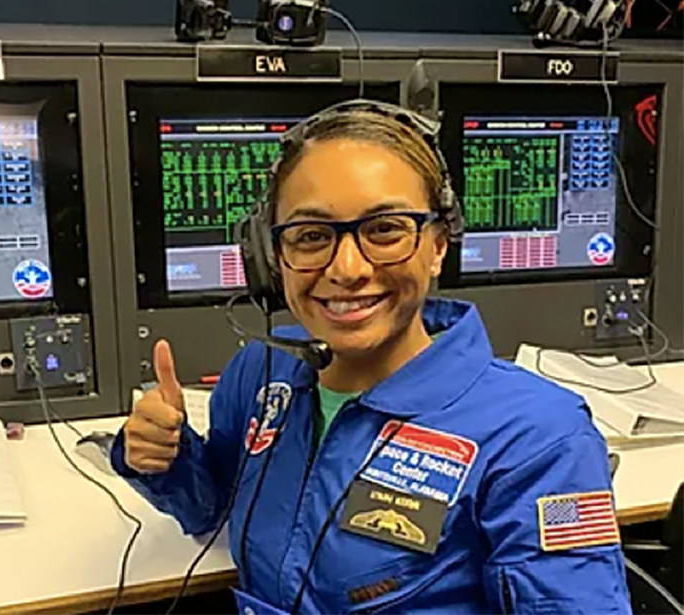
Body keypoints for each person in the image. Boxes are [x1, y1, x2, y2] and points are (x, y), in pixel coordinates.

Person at [110, 100, 631, 614]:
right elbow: (210, 511)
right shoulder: (261, 375)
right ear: (271, 260)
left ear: (439, 245)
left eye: (384, 230)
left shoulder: (540, 439)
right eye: (311, 236)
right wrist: (164, 459)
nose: (348, 268)